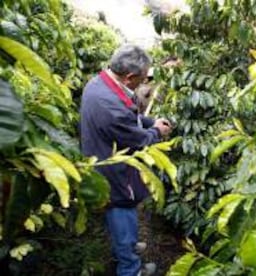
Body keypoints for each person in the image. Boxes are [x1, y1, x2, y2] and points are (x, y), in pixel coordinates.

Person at [80, 44, 172, 276]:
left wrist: (150, 121)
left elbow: (130, 116)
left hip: (100, 157)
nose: (144, 82)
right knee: (122, 210)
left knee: (120, 217)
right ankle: (130, 267)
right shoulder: (110, 106)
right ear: (130, 77)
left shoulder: (100, 82)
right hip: (114, 173)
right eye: (142, 79)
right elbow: (139, 140)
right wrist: (158, 131)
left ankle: (127, 247)